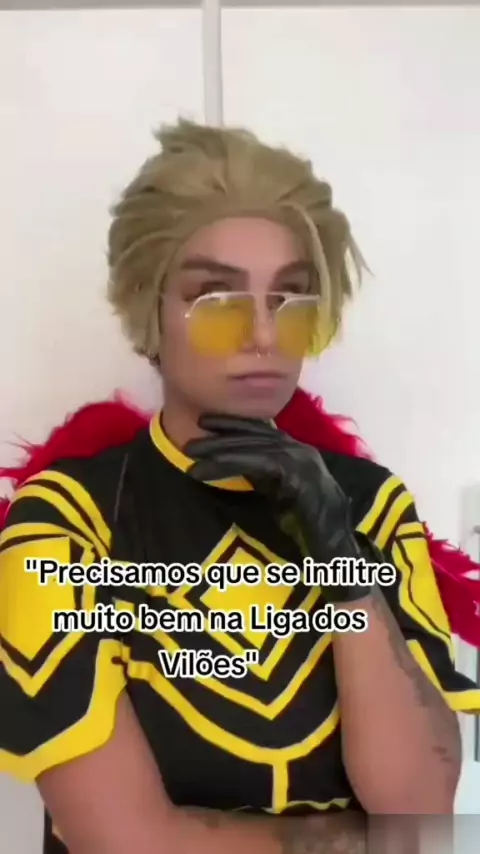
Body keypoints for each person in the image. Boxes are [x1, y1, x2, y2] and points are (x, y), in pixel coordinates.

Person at [0, 119, 479, 854]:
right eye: (216, 299)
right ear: (150, 316)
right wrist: (352, 843)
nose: (262, 334)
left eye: (292, 299)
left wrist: (343, 563)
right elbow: (127, 842)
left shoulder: (373, 507)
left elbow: (418, 812)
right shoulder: (66, 521)